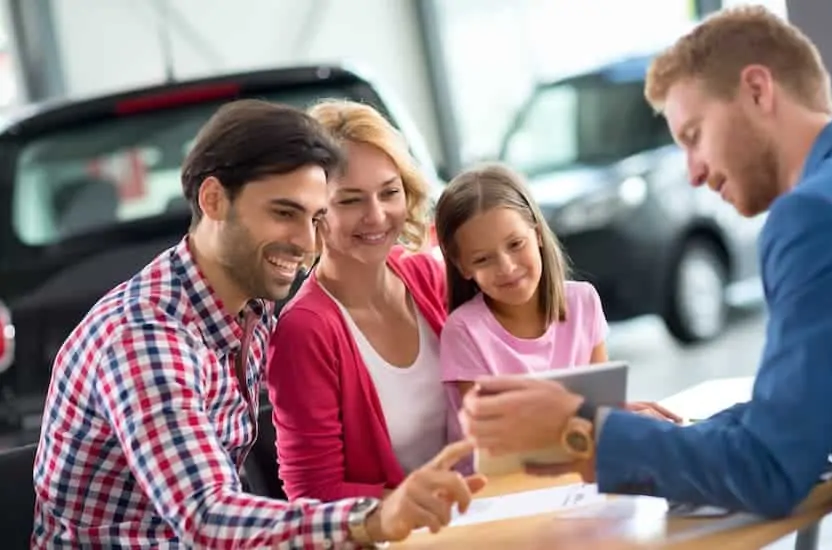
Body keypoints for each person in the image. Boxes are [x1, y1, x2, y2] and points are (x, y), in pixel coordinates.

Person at [458, 6, 832, 550]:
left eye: (693, 135)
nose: (691, 170)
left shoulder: (819, 214)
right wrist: (668, 437)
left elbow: (770, 469)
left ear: (758, 91)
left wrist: (575, 430)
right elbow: (790, 413)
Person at [32, 99, 483, 549]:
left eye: (317, 218)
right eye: (284, 213)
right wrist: (376, 518)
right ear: (213, 200)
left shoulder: (251, 309)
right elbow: (208, 518)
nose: (308, 243)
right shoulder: (146, 338)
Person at [265, 99, 472, 503]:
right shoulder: (305, 331)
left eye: (389, 192)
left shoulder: (426, 275)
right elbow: (313, 493)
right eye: (350, 200)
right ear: (313, 212)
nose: (377, 216)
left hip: (477, 514)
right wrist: (409, 503)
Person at [433, 163, 608, 398]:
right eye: (483, 259)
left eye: (515, 244)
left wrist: (622, 416)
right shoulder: (464, 332)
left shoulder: (584, 301)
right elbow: (491, 432)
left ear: (537, 234)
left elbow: (605, 405)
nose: (507, 267)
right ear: (463, 266)